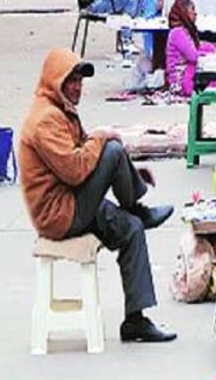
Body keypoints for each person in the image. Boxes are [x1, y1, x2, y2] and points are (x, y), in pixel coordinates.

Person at [19, 48, 176, 343]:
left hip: (73, 201)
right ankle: (137, 206)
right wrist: (103, 136)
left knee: (131, 227)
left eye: (80, 81)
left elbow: (86, 156)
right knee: (113, 148)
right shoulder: (45, 120)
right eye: (71, 81)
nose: (77, 87)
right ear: (55, 82)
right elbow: (77, 169)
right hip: (60, 215)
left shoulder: (60, 110)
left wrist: (130, 171)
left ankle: (135, 320)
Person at [165, 0, 216, 97]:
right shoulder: (177, 32)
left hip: (185, 74)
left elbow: (196, 46)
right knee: (206, 68)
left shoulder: (184, 31)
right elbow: (193, 56)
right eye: (192, 9)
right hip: (179, 80)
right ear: (184, 12)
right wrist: (210, 56)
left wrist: (211, 49)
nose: (195, 13)